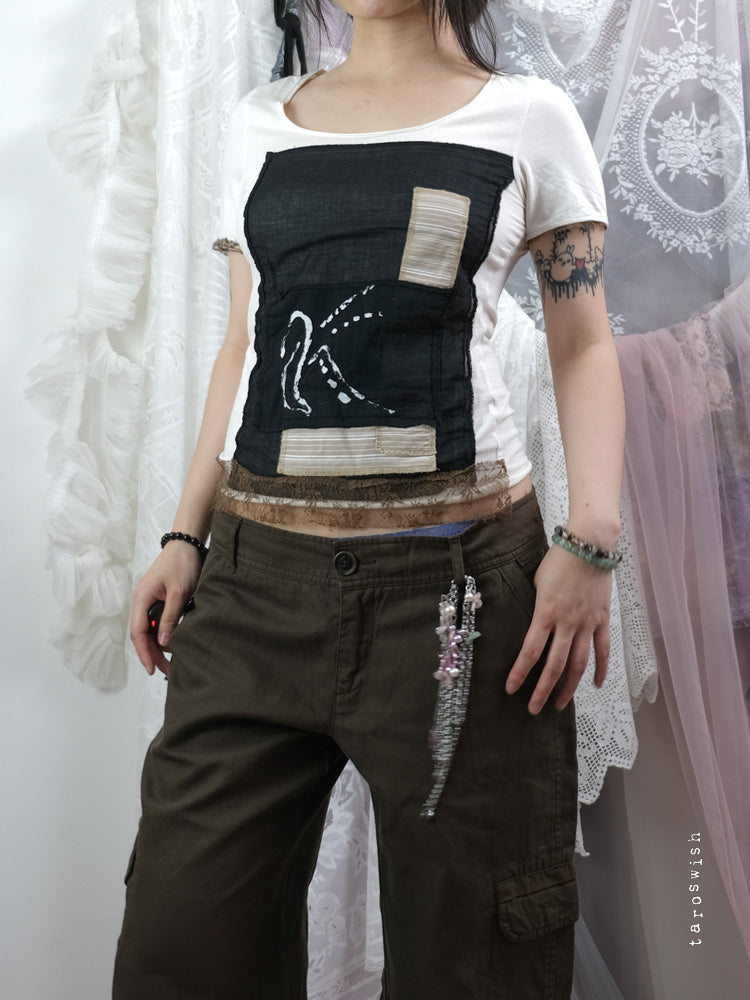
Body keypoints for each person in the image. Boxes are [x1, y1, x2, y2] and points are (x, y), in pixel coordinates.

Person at [112, 2, 626, 997]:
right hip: (253, 591)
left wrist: (591, 538)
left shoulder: (529, 116)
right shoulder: (260, 121)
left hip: (461, 603)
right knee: (182, 946)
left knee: (472, 963)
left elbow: (584, 342)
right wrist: (185, 532)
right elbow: (244, 344)